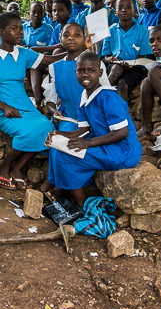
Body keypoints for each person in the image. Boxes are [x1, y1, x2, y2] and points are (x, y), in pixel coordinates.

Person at [42, 51, 142, 208]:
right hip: (105, 144)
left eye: (91, 70)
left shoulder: (109, 97)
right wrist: (59, 134)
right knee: (57, 147)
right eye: (81, 70)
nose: (85, 74)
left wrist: (88, 143)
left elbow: (122, 133)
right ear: (75, 72)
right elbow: (82, 130)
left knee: (66, 157)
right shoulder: (84, 96)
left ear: (100, 72)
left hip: (123, 151)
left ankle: (81, 202)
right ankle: (63, 189)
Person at [0, 11, 54, 190]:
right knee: (28, 131)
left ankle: (17, 168)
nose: (20, 32)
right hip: (1, 109)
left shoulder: (23, 53)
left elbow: (51, 60)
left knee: (48, 128)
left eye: (21, 28)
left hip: (25, 107)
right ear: (0, 31)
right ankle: (5, 166)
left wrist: (77, 49)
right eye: (14, 29)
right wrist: (3, 107)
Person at [101, 0, 153, 101]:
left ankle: (121, 115)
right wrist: (110, 59)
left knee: (122, 85)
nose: (124, 10)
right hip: (114, 65)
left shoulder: (142, 32)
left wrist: (131, 64)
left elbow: (142, 59)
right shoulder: (111, 31)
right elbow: (105, 57)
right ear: (115, 12)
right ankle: (102, 98)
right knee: (116, 69)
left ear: (135, 11)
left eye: (128, 7)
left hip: (135, 67)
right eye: (120, 7)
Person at [36, 23, 86, 133]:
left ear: (84, 38)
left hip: (93, 115)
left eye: (76, 35)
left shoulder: (95, 64)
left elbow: (104, 93)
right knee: (64, 141)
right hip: (68, 117)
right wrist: (54, 112)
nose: (71, 38)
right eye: (66, 35)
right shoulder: (55, 68)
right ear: (60, 38)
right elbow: (51, 100)